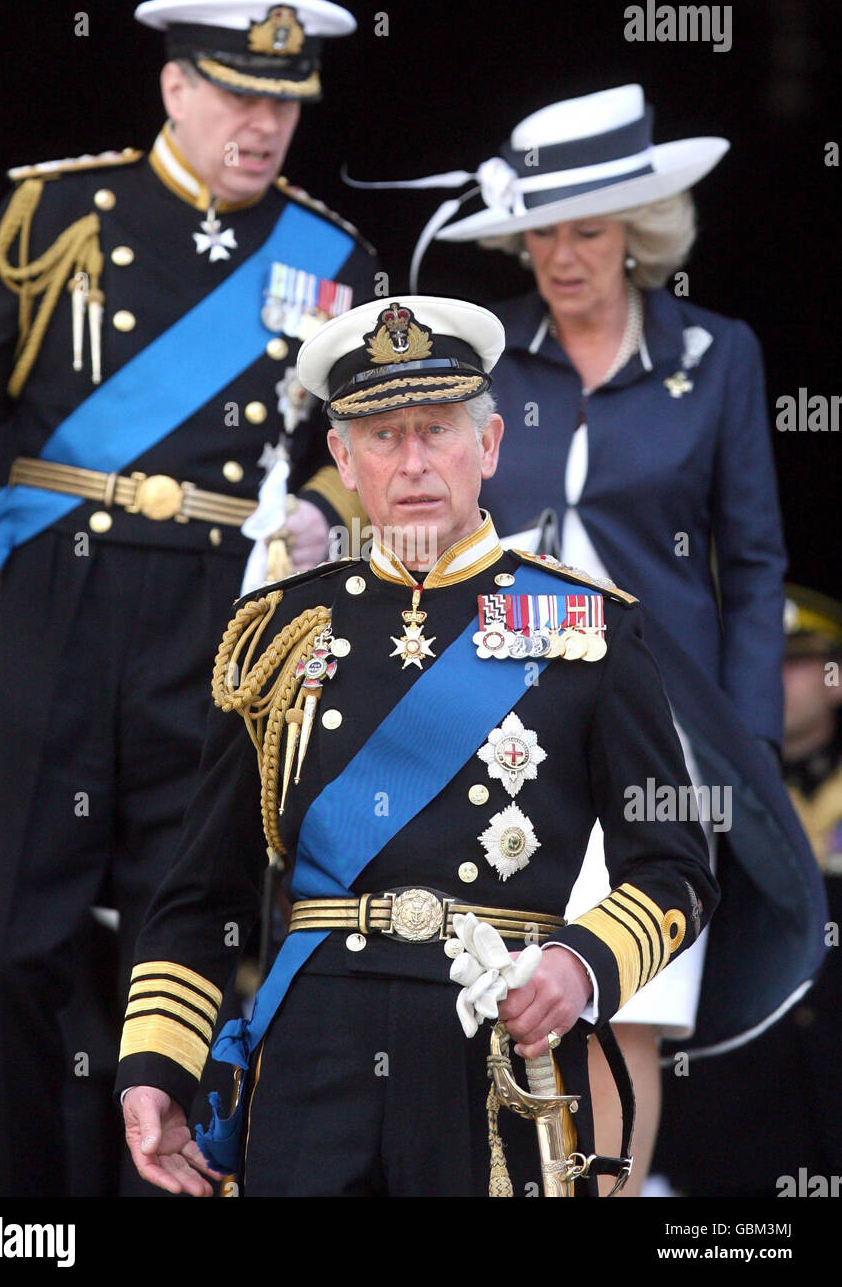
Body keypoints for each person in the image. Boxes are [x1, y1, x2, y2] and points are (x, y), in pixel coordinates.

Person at [0, 0, 378, 1197]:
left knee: (190, 937)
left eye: (285, 100)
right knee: (7, 953)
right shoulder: (55, 211)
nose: (264, 120)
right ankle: (8, 1209)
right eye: (238, 91)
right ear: (172, 89)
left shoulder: (335, 260)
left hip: (224, 621)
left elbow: (370, 440)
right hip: (51, 603)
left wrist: (326, 513)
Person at [115, 294, 718, 1198]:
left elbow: (673, 865)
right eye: (384, 437)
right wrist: (156, 1065)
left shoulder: (585, 627)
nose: (414, 462)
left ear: (489, 447)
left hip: (494, 1051)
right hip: (313, 1042)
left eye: (437, 430)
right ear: (344, 461)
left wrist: (579, 964)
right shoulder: (277, 629)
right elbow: (205, 883)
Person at [365, 83, 813, 1193]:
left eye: (589, 230)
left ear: (639, 233)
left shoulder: (718, 353)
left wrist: (748, 740)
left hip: (662, 731)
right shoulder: (483, 355)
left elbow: (752, 563)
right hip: (487, 716)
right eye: (543, 232)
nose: (562, 256)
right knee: (480, 996)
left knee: (630, 1006)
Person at [654, 585, 842, 1195]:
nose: (772, 681)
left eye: (793, 663)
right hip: (733, 1124)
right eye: (758, 664)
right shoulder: (699, 789)